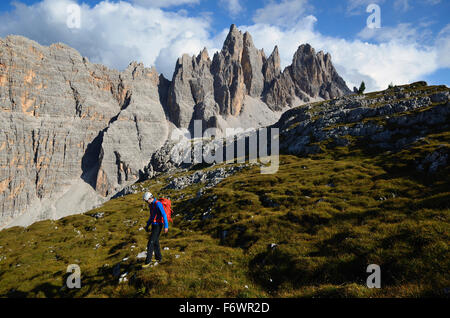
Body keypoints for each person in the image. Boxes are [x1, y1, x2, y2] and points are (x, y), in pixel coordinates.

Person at [142, 192, 169, 268]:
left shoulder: (158, 204)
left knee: (150, 243)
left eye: (147, 201)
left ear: (150, 198)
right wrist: (147, 225)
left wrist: (166, 226)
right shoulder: (151, 205)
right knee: (156, 242)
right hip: (154, 225)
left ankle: (148, 261)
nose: (147, 202)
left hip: (159, 225)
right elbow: (152, 216)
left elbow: (164, 214)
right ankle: (158, 258)